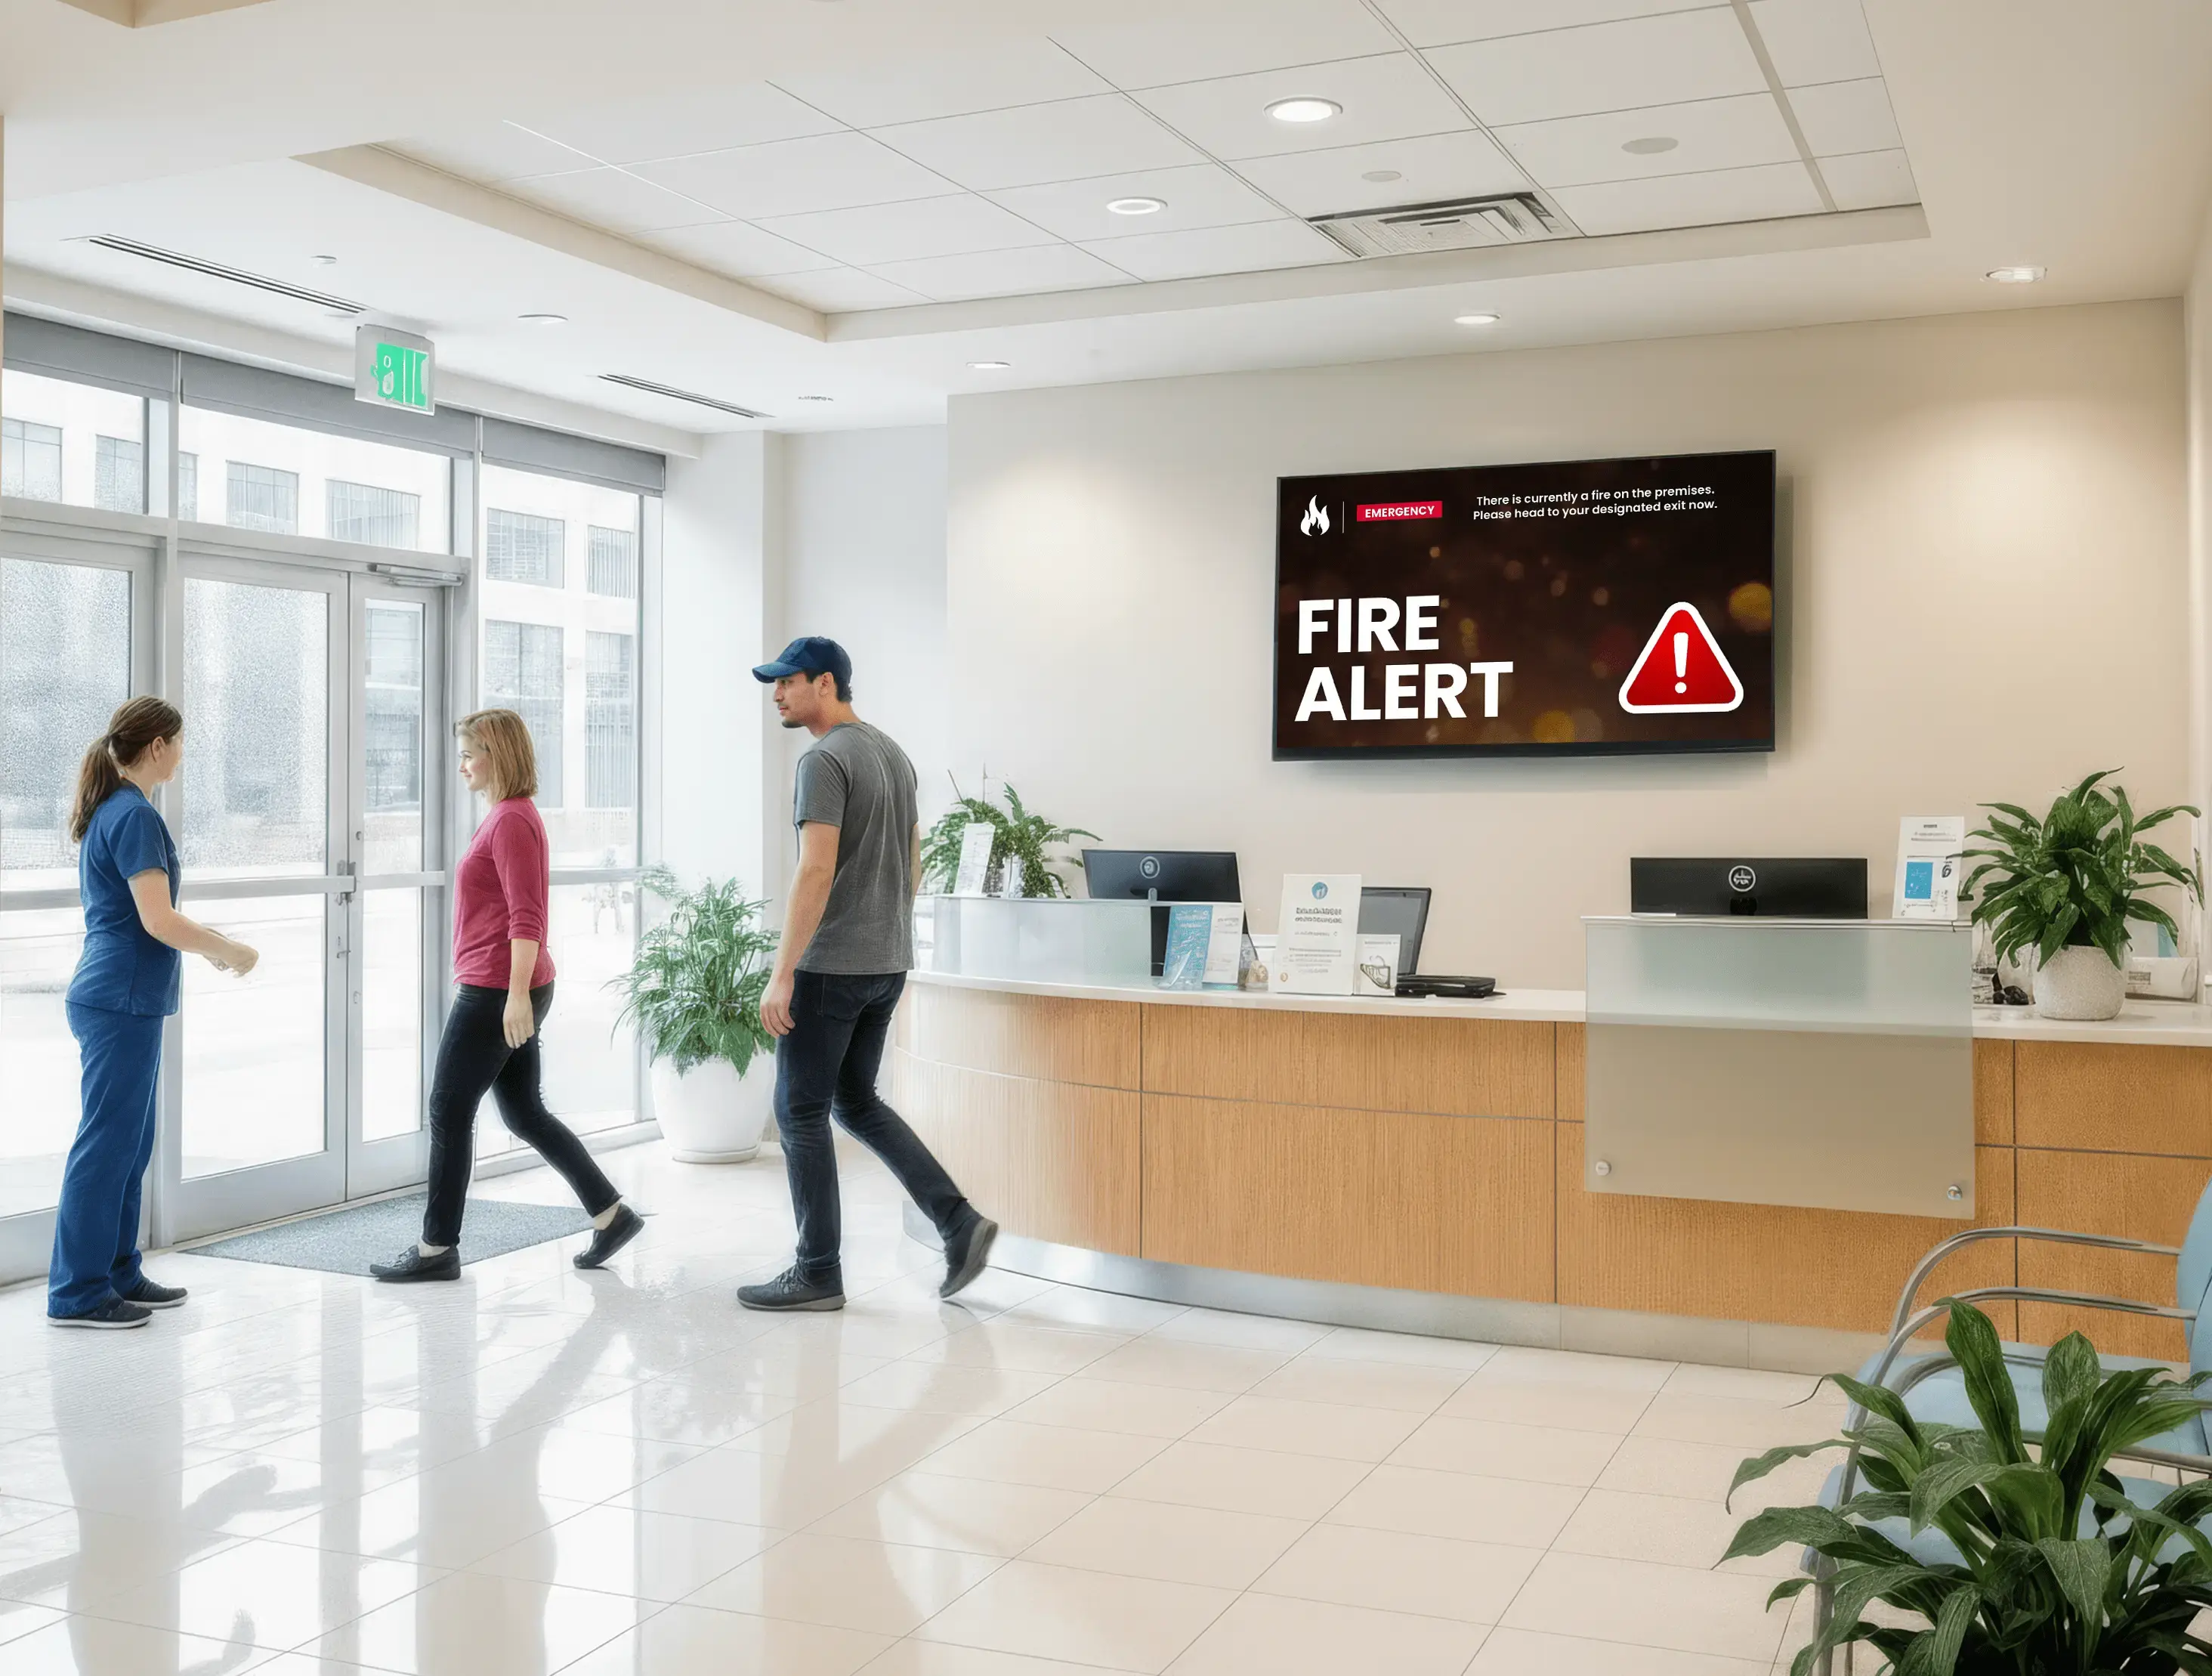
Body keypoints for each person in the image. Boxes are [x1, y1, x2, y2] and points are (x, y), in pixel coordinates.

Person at [740, 636, 996, 1313]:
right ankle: (958, 1222)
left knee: (799, 1111)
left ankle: (817, 1270)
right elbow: (913, 858)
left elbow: (815, 869)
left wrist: (782, 973)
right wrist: (888, 931)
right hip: (886, 961)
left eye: (787, 682)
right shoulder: (892, 754)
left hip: (831, 966)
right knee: (855, 1101)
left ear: (825, 683)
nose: (777, 695)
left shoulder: (823, 760)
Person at [372, 709, 643, 1281]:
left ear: (497, 756)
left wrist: (516, 995)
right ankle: (611, 1214)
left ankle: (436, 1249)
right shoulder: (504, 816)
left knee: (449, 1109)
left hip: (497, 988)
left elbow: (527, 916)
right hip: (504, 984)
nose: (463, 765)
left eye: (470, 754)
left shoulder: (513, 820)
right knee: (524, 1112)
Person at [51, 697, 260, 1329]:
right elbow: (158, 920)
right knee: (106, 1146)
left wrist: (212, 948)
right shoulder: (134, 815)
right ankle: (77, 1293)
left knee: (130, 1145)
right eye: (181, 743)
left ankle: (119, 1271)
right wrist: (229, 949)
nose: (183, 755)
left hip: (124, 997)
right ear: (159, 745)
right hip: (119, 999)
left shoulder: (118, 809)